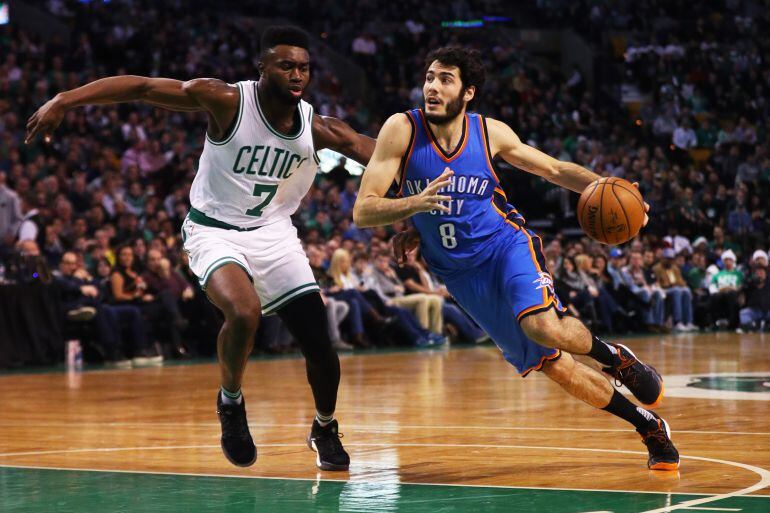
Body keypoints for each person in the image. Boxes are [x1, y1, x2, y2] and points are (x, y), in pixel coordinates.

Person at [27, 26, 375, 471]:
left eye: (304, 67)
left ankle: (324, 426)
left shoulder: (319, 128)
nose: (296, 75)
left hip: (274, 233)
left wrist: (422, 193)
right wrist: (64, 99)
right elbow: (143, 87)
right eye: (286, 65)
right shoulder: (227, 101)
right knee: (245, 312)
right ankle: (231, 402)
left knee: (320, 345)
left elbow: (379, 155)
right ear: (262, 68)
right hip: (214, 228)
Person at [353, 47, 678, 470]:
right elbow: (363, 210)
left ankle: (613, 357)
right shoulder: (401, 128)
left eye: (444, 79)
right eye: (429, 77)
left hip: (505, 245)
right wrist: (411, 207)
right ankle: (647, 424)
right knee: (555, 367)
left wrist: (611, 187)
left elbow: (555, 170)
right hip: (459, 273)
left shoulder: (489, 133)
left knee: (542, 325)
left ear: (467, 92)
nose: (432, 87)